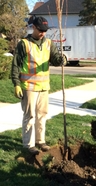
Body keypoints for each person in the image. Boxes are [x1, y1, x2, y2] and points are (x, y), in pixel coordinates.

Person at [11, 16, 66, 155]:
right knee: (29, 116)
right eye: (40, 30)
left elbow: (55, 59)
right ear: (33, 27)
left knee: (42, 115)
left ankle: (40, 141)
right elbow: (16, 65)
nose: (42, 33)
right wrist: (16, 84)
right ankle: (28, 145)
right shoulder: (24, 44)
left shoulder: (48, 43)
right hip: (28, 85)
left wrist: (62, 59)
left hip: (44, 87)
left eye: (45, 31)